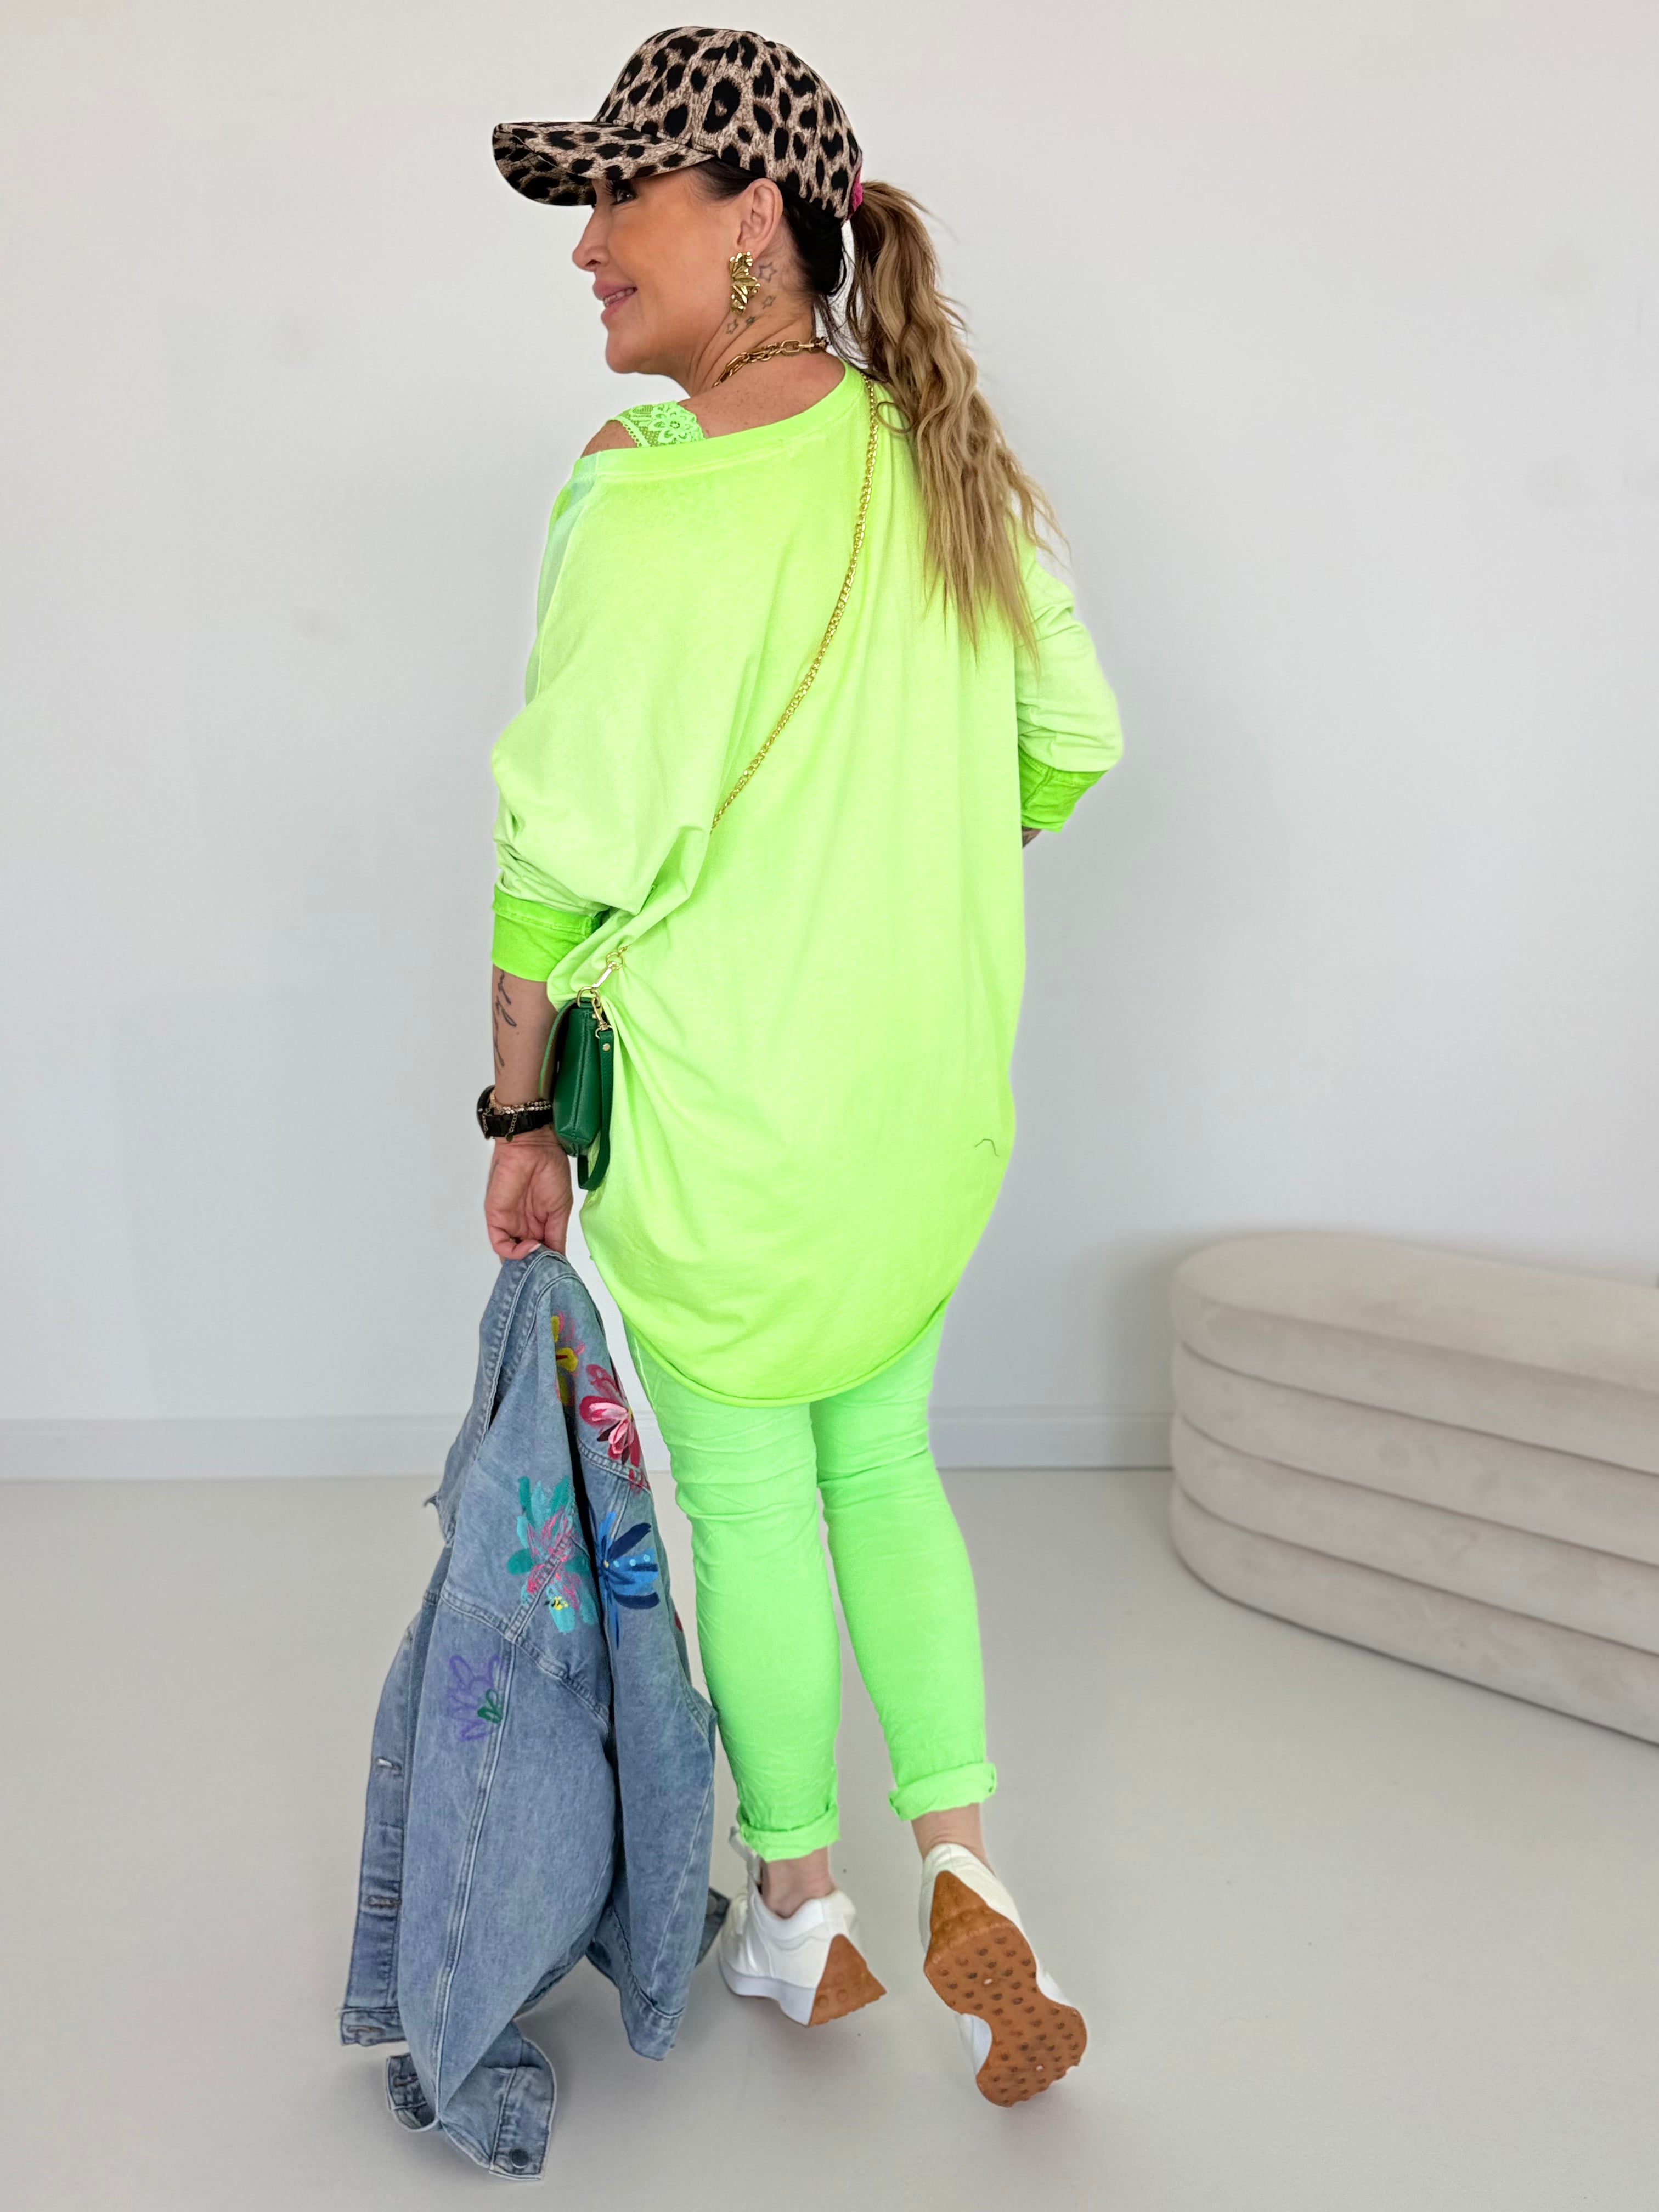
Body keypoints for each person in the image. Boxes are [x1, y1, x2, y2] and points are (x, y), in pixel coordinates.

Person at [478, 28, 1121, 2105]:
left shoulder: (641, 496)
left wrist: (518, 1120)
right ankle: (972, 1868)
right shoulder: (948, 454)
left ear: (752, 212)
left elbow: (555, 860)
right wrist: (895, 858)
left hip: (726, 1117)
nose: (587, 245)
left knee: (748, 1500)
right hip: (917, 1108)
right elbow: (1068, 743)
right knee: (890, 1470)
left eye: (622, 193)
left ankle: (804, 1912)